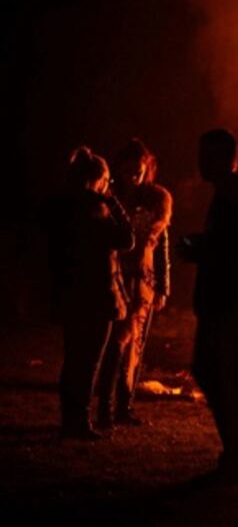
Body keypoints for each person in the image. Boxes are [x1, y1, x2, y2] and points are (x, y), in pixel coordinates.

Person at [178, 129, 238, 480]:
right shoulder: (230, 196)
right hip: (224, 303)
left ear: (226, 159)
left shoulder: (236, 199)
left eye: (208, 156)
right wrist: (203, 245)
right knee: (220, 373)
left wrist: (200, 249)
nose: (201, 163)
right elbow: (229, 246)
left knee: (220, 373)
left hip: (228, 305)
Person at [44, 147, 134, 439]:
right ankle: (78, 422)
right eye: (107, 180)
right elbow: (127, 239)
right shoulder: (96, 208)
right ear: (99, 179)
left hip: (72, 295)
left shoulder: (64, 206)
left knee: (73, 359)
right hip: (97, 296)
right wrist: (113, 200)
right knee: (88, 362)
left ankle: (70, 418)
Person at [97, 139, 172, 427]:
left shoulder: (157, 200)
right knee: (115, 344)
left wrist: (163, 285)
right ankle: (105, 404)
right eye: (128, 171)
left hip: (144, 280)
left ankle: (124, 406)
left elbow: (161, 242)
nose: (133, 177)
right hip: (115, 278)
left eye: (137, 172)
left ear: (146, 170)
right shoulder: (110, 199)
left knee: (135, 346)